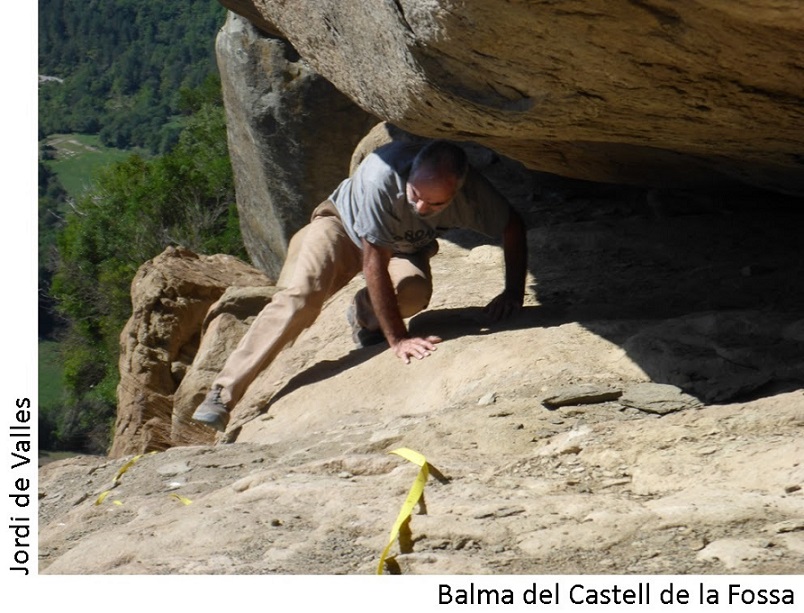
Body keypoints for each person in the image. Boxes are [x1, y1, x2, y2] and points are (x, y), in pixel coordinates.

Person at [192, 139, 527, 431]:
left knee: (413, 294)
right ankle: (223, 394)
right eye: (415, 195)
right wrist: (397, 339)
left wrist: (512, 293)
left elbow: (512, 226)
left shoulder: (474, 195)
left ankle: (364, 315)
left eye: (436, 204)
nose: (421, 207)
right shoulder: (381, 176)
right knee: (302, 299)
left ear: (458, 188)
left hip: (404, 246)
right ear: (410, 173)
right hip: (342, 228)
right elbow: (372, 261)